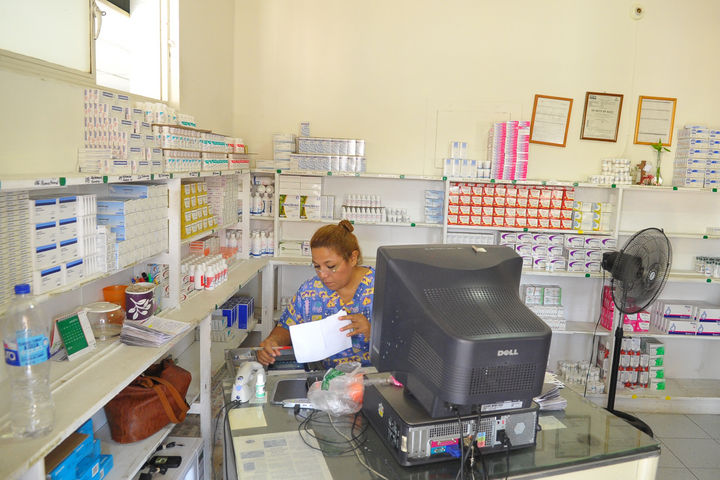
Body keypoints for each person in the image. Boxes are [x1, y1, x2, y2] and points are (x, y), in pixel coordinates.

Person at [257, 220, 374, 368]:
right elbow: (287, 327)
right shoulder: (310, 291)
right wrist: (273, 341)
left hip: (373, 376)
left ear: (353, 258)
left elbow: (401, 341)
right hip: (325, 377)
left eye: (331, 266)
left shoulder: (382, 287)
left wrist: (373, 332)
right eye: (317, 266)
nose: (322, 275)